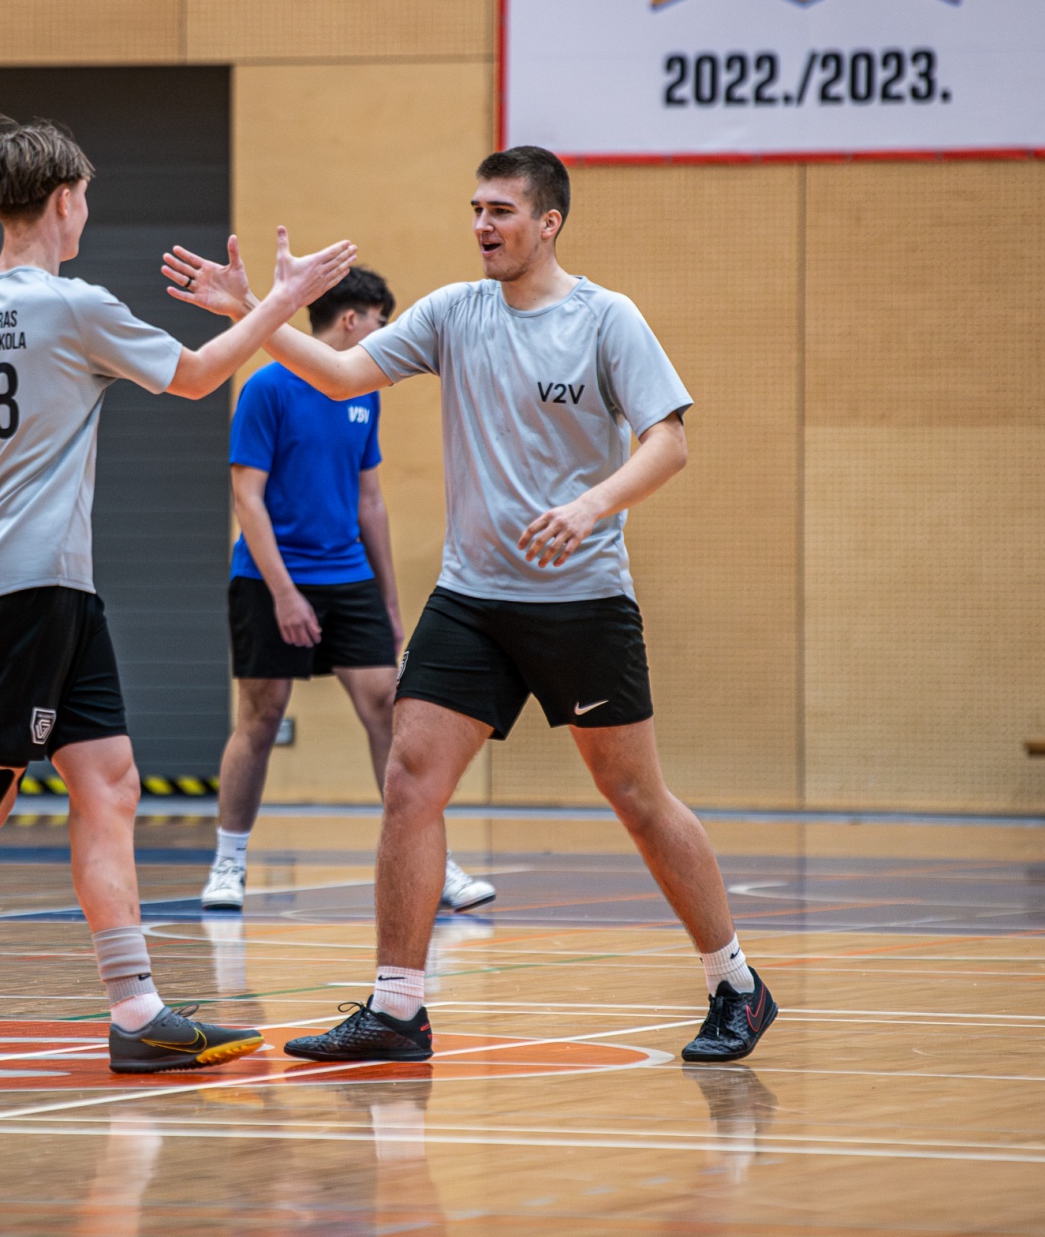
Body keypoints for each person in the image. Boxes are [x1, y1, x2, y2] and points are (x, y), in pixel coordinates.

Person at [164, 146, 775, 1065]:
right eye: (477, 209)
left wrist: (592, 506)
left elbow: (669, 443)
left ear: (549, 222)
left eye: (502, 211)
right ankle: (397, 1009)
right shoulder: (454, 312)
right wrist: (253, 312)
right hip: (472, 599)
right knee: (411, 778)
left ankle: (736, 984)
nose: (483, 225)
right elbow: (341, 375)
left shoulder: (607, 318)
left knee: (635, 795)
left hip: (580, 600)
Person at [0, 117, 355, 1075]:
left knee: (108, 782)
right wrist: (282, 301)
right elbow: (196, 379)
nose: (86, 213)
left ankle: (136, 1010)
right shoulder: (74, 305)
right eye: (86, 198)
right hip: (24, 586)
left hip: (53, 587)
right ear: (64, 200)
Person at [201, 266, 495, 916]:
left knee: (390, 708)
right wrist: (284, 594)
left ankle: (431, 858)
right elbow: (247, 498)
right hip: (270, 578)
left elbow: (371, 501)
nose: (384, 334)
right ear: (352, 319)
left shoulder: (365, 394)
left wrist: (387, 600)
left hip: (348, 577)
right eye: (380, 322)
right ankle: (229, 863)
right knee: (261, 717)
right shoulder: (266, 388)